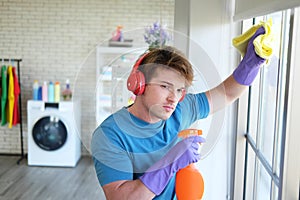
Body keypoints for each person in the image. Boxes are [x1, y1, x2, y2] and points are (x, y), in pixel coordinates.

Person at [91, 26, 266, 199]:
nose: (173, 98)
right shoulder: (110, 135)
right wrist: (170, 163)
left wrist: (251, 63)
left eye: (180, 90)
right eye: (165, 86)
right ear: (139, 84)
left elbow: (226, 93)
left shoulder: (180, 111)